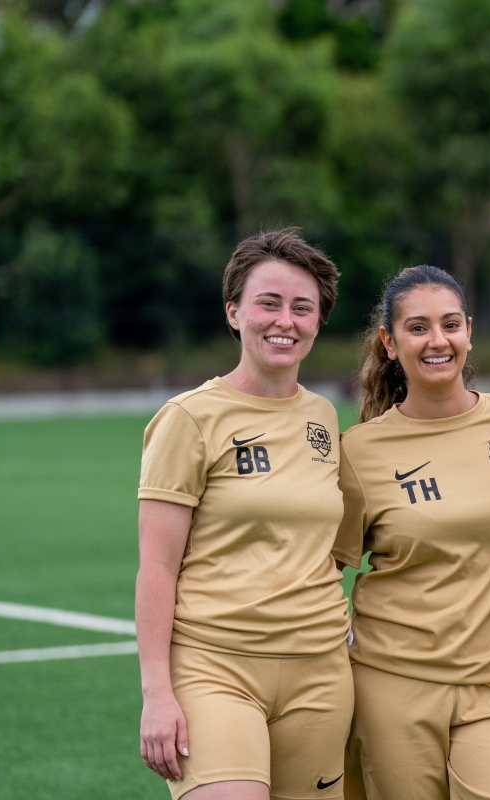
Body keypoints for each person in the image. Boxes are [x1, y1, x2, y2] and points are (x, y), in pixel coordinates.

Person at [135, 229, 354, 800]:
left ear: (318, 320)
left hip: (320, 673)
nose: (285, 321)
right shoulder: (189, 418)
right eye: (269, 303)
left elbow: (327, 545)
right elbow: (157, 566)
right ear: (234, 313)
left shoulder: (325, 417)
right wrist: (156, 693)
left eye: (302, 307)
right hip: (215, 669)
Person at [336, 265, 490, 800]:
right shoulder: (358, 451)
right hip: (388, 685)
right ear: (390, 342)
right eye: (418, 328)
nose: (438, 341)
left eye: (450, 324)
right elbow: (323, 568)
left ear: (469, 332)